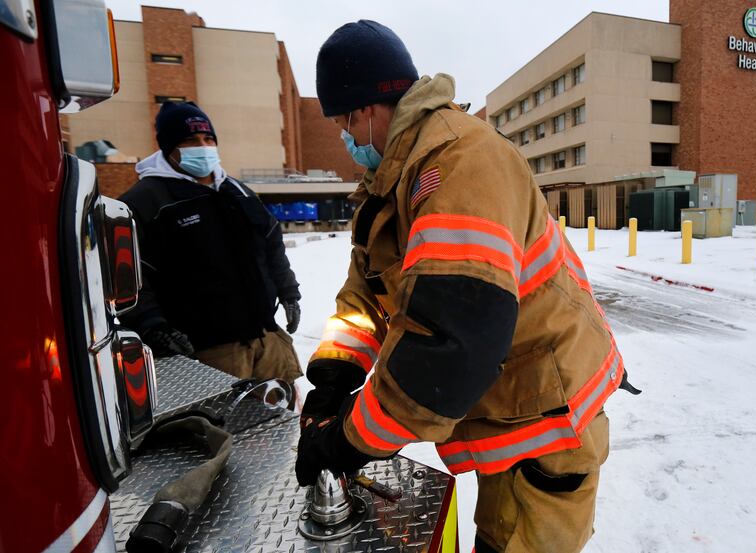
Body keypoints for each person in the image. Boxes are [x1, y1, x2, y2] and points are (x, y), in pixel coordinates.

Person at [294, 20, 639, 553]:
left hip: (545, 422)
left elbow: (448, 347)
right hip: (506, 405)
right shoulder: (395, 179)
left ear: (366, 109)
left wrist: (349, 439)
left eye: (342, 120)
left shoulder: (460, 164)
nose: (343, 137)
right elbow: (365, 293)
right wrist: (334, 375)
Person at [120, 101, 302, 388]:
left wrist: (288, 292)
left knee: (285, 419)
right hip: (207, 353)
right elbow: (128, 276)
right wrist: (152, 325)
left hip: (266, 339)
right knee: (219, 431)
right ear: (169, 148)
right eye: (190, 140)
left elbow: (271, 246)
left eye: (208, 139)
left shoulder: (237, 192)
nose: (202, 146)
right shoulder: (145, 202)